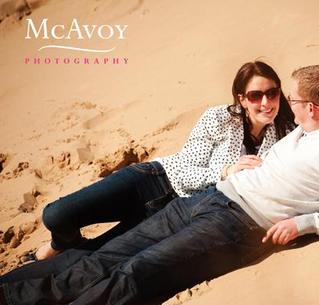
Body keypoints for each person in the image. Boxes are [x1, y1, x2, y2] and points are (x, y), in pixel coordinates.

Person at [0, 65, 319, 305]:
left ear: (311, 107)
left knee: (134, 273)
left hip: (238, 225)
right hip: (203, 198)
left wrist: (302, 224)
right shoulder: (305, 130)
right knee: (104, 257)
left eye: (288, 98)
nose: (282, 104)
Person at [34, 61, 296, 260]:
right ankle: (61, 243)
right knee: (57, 214)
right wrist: (226, 171)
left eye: (272, 93)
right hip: (155, 180)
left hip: (178, 212)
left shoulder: (282, 134)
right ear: (241, 98)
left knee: (96, 254)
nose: (266, 102)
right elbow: (184, 171)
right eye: (255, 96)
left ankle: (60, 258)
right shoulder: (220, 118)